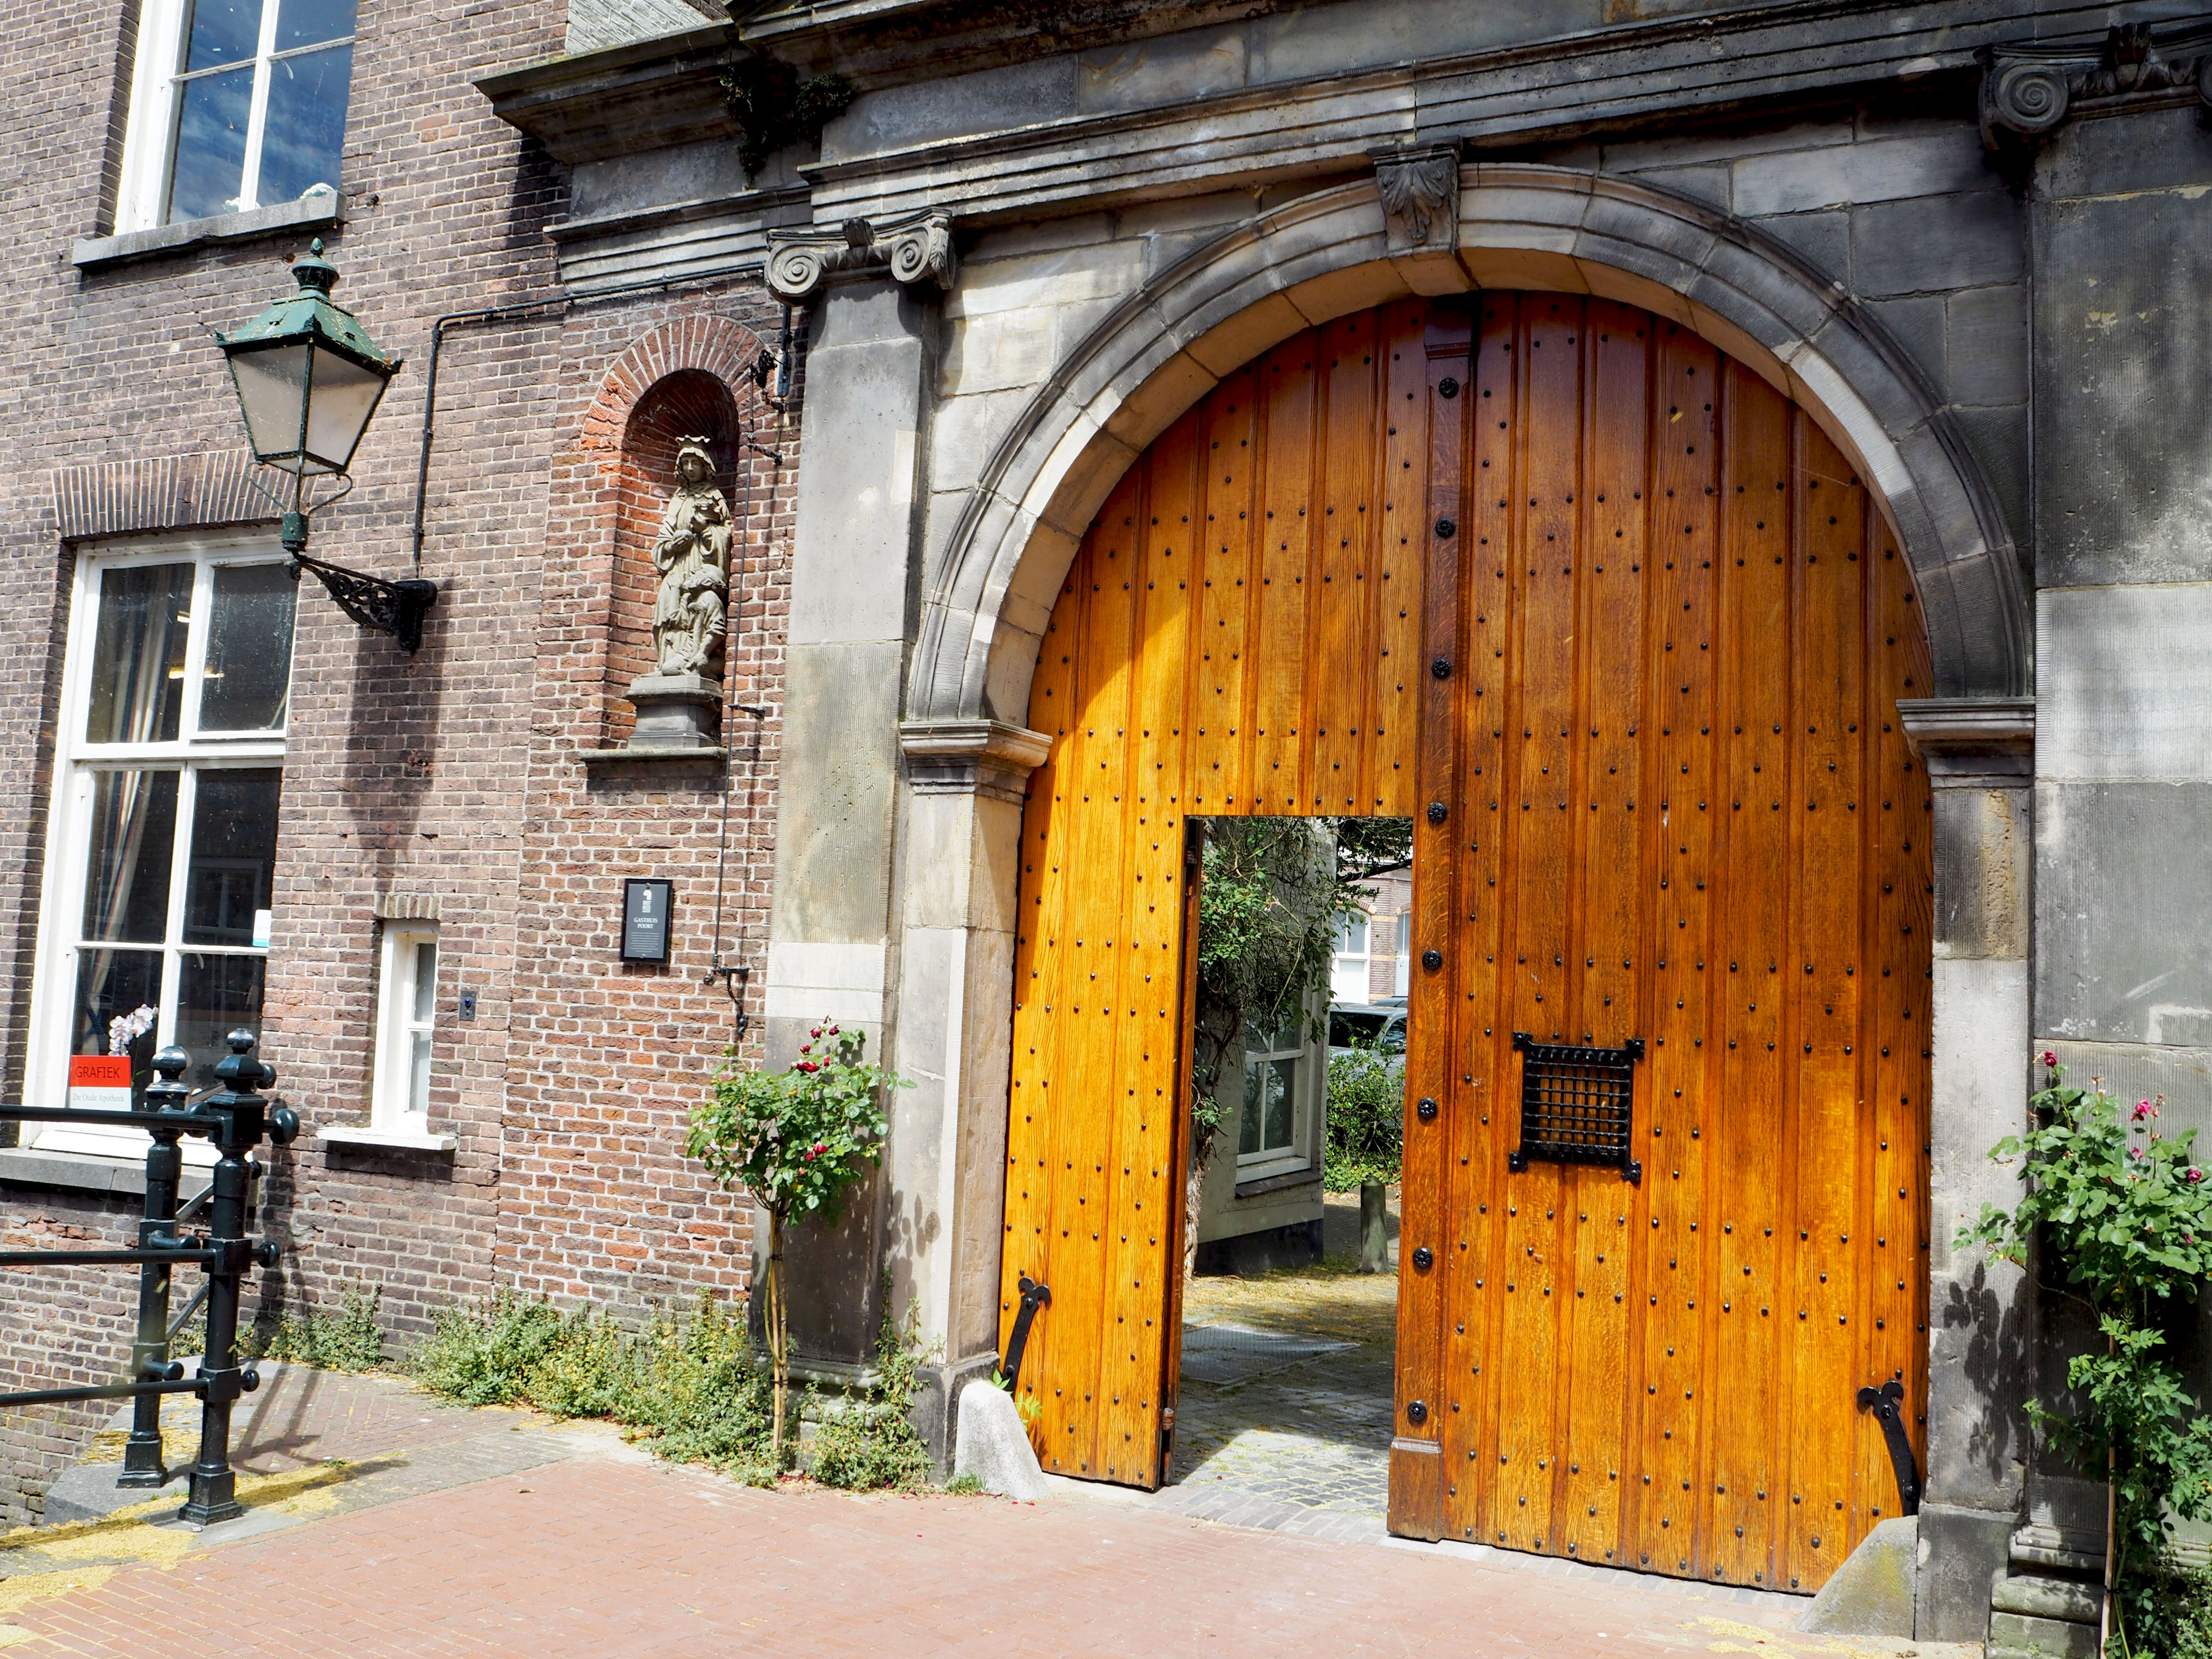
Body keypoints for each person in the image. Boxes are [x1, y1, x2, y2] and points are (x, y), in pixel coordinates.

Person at [650, 438, 731, 676]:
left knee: (697, 607)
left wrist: (705, 530)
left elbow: (725, 536)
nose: (689, 468)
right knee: (668, 607)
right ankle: (667, 660)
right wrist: (673, 546)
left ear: (705, 466)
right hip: (678, 565)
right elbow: (663, 537)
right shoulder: (679, 498)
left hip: (701, 564)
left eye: (694, 463)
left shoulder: (714, 496)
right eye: (685, 463)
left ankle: (693, 658)